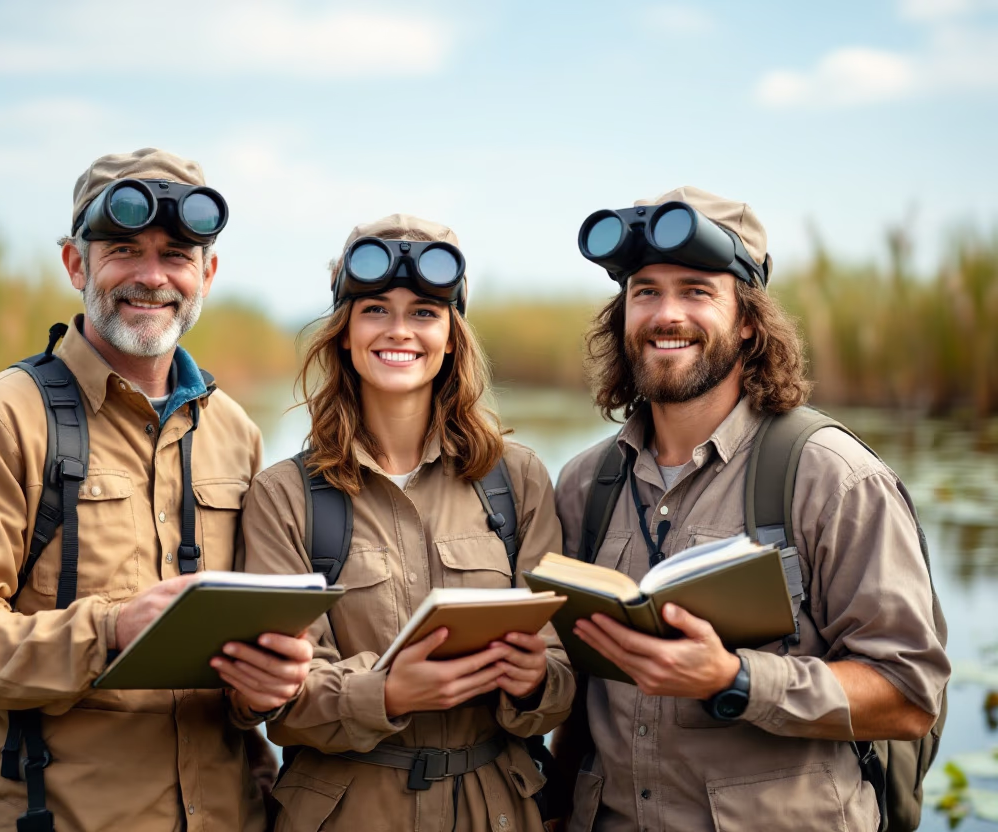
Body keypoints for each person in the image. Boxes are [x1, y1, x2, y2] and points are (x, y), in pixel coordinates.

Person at [0, 148, 312, 832]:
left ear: (207, 274)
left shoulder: (234, 430)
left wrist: (270, 680)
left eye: (177, 255)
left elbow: (246, 660)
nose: (152, 277)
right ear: (76, 264)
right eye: (124, 249)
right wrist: (113, 629)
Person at [550, 186, 950, 831]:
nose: (665, 314)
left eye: (697, 291)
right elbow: (577, 696)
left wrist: (733, 679)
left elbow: (909, 695)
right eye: (644, 291)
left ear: (746, 320)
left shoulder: (833, 477)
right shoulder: (582, 483)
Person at [241, 214, 576, 831]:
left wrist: (533, 683)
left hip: (499, 811)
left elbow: (560, 677)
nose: (400, 331)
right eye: (375, 310)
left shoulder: (518, 478)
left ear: (453, 336)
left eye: (424, 311)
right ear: (344, 333)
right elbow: (274, 700)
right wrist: (388, 693)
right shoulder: (284, 493)